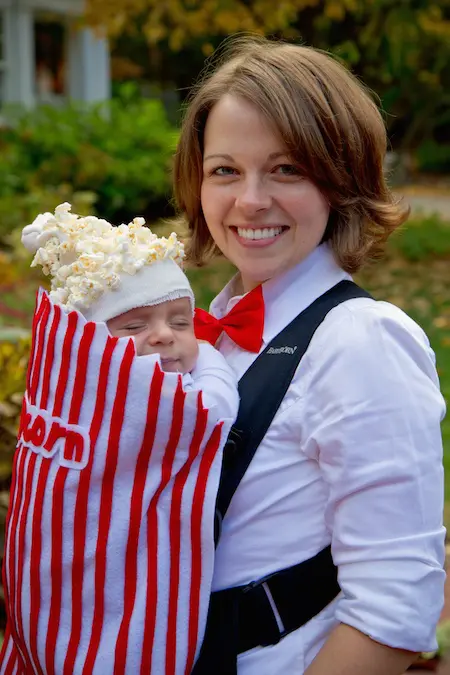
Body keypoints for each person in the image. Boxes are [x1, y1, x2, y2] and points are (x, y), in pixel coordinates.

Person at [173, 36, 447, 675]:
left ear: (340, 176)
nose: (250, 200)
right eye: (225, 170)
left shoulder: (361, 343)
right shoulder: (201, 334)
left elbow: (393, 612)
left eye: (286, 168)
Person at [0, 204, 239, 675]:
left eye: (180, 321)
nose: (162, 336)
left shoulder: (61, 384)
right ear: (90, 341)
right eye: (133, 325)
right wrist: (210, 354)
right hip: (104, 600)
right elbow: (213, 413)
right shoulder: (144, 398)